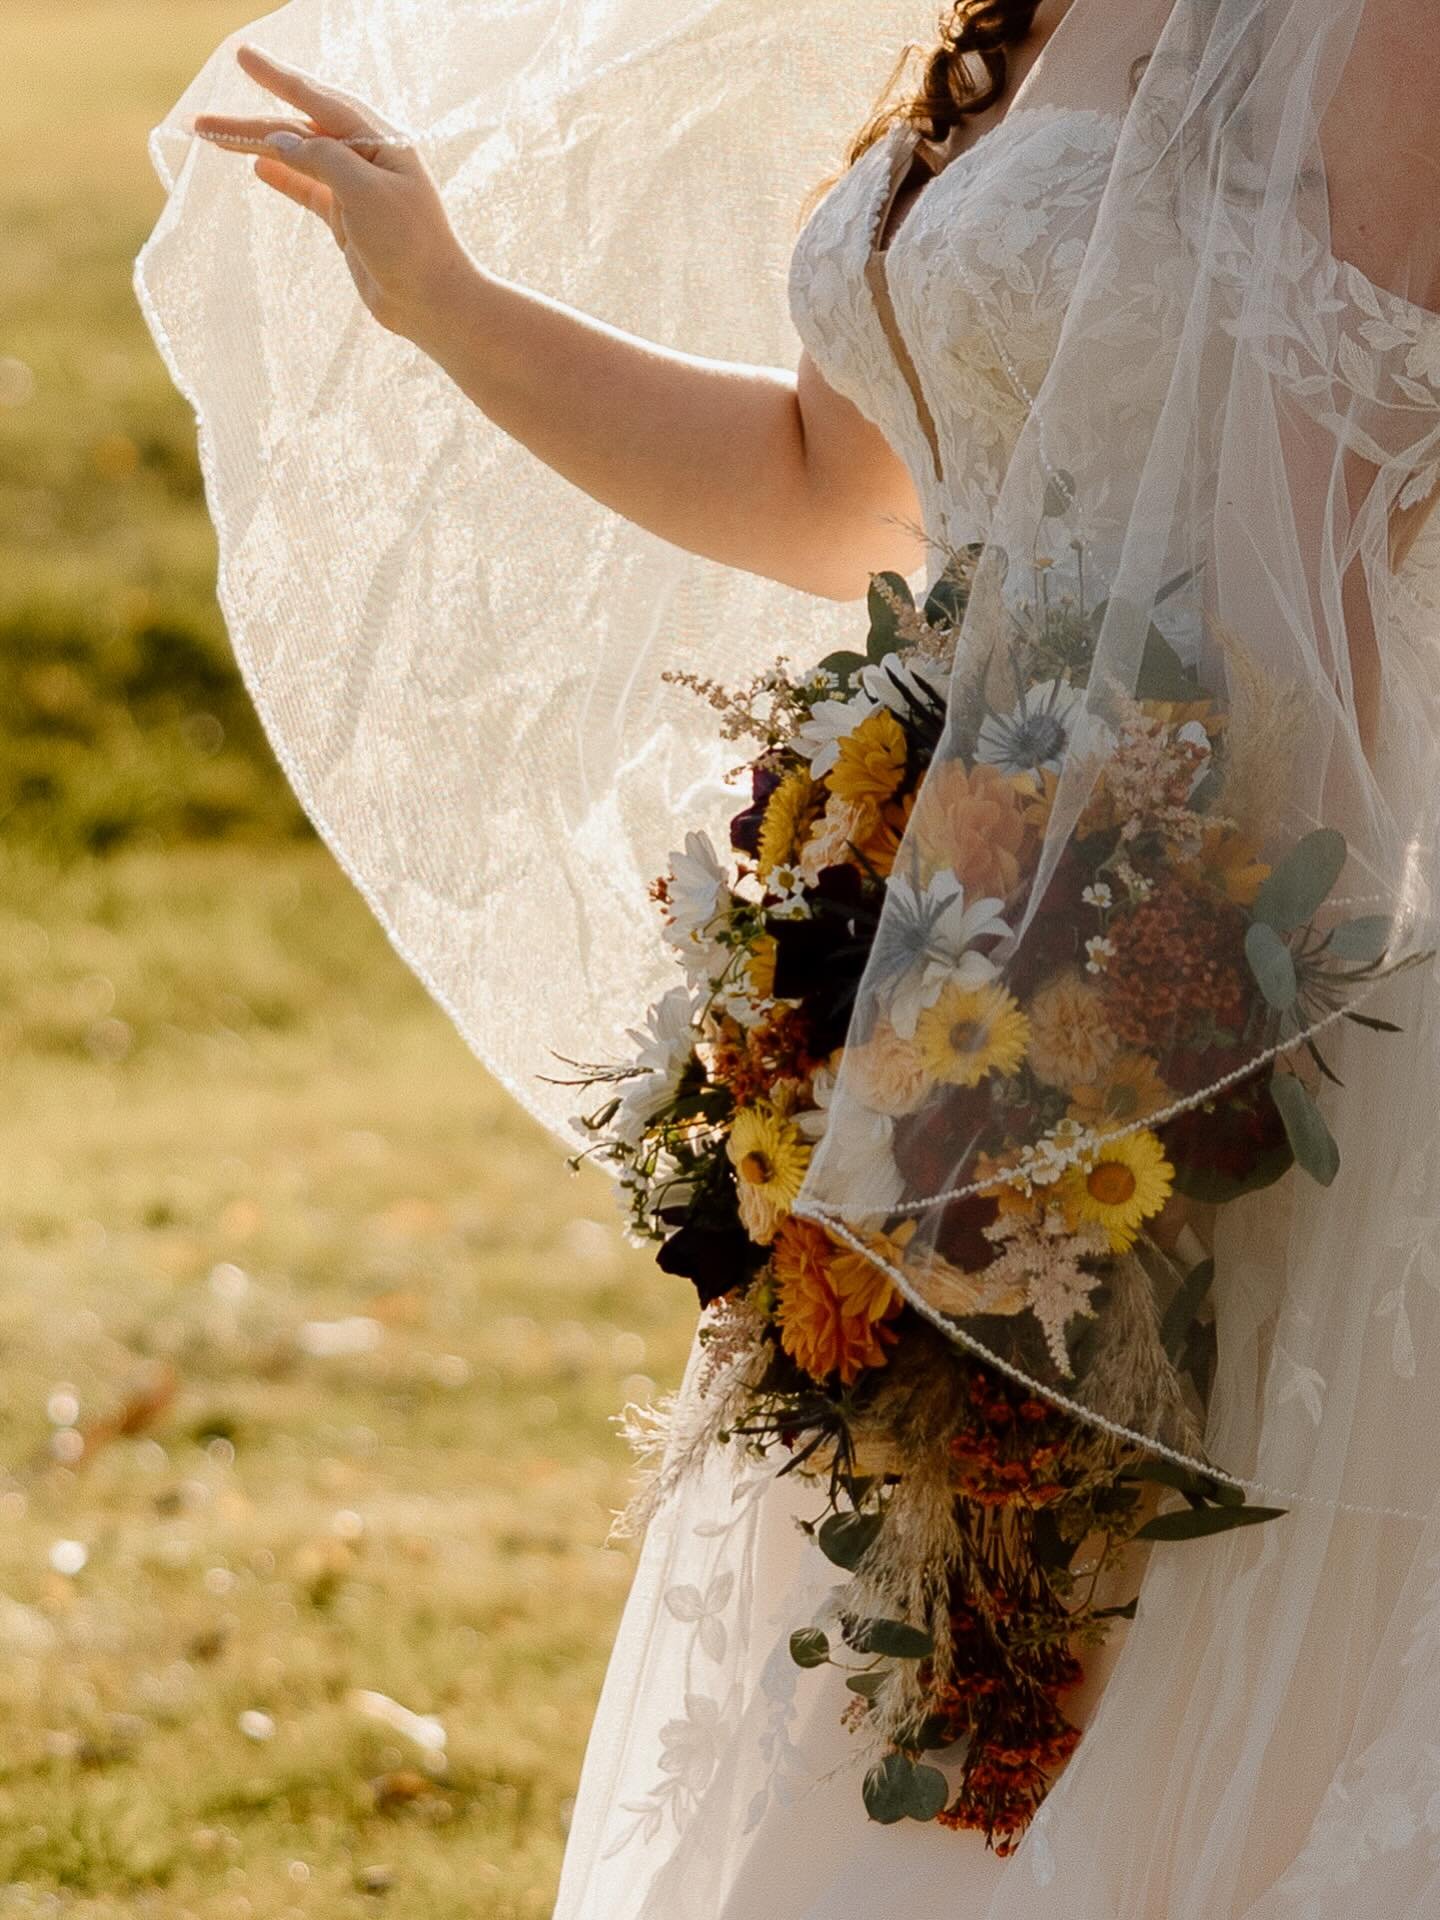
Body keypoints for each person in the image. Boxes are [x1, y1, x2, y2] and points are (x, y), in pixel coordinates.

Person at [141, 0, 1440, 1912]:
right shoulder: (1008, 26)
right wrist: (447, 297)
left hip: (1205, 986)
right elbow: (828, 484)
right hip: (949, 960)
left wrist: (1159, 1011)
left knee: (1180, 1661)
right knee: (929, 1689)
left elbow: (1338, 563)